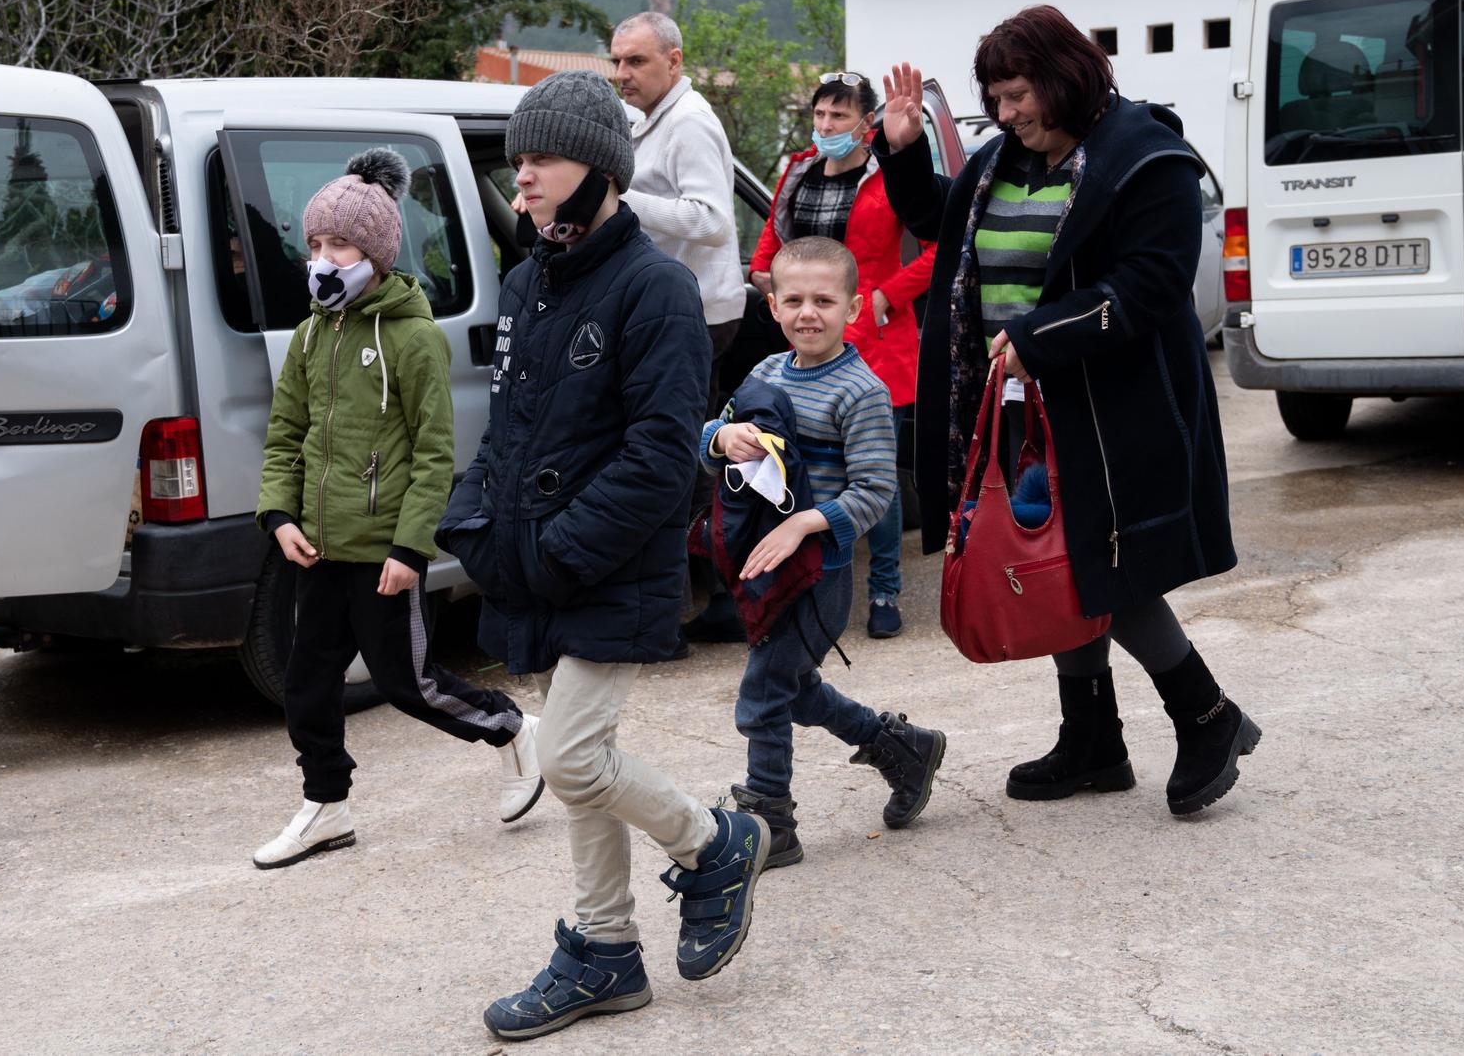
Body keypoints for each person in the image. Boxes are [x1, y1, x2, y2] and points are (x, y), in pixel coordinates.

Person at [438, 70, 771, 1042]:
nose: (523, 176)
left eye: (538, 158)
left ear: (600, 167)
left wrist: (559, 548)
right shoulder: (527, 281)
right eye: (519, 160)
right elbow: (506, 429)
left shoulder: (656, 288)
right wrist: (472, 523)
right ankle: (605, 947)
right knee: (585, 757)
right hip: (537, 561)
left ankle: (714, 842)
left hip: (608, 562)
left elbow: (663, 453)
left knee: (573, 756)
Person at [875, 5, 1262, 817]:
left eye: (1018, 95)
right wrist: (905, 152)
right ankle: (1092, 738)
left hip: (1111, 409)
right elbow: (938, 224)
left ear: (1064, 77)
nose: (1007, 115)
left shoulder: (1147, 159)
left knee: (1101, 565)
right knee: (1054, 557)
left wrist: (1037, 335)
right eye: (997, 100)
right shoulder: (999, 163)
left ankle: (1208, 716)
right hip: (1024, 405)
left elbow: (1151, 286)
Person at [251, 148, 541, 869]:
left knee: (407, 685)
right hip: (317, 547)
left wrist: (411, 549)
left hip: (383, 552)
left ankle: (510, 728)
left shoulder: (414, 338)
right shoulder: (313, 332)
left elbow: (435, 452)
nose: (323, 257)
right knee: (305, 683)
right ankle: (327, 804)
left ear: (376, 253)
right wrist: (279, 514)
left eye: (339, 244)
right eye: (315, 243)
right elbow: (286, 429)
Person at [703, 235, 947, 867]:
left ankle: (770, 823)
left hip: (820, 572)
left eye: (824, 300)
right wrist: (723, 435)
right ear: (773, 307)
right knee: (791, 688)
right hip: (763, 565)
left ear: (854, 308)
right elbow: (707, 434)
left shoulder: (861, 391)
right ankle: (903, 749)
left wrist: (801, 526)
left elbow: (875, 492)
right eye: (794, 300)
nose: (808, 312)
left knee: (763, 694)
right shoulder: (762, 374)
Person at [746, 73, 937, 639]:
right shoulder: (800, 170)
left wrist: (885, 295)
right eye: (820, 115)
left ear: (866, 123)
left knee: (870, 470)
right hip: (806, 340)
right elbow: (769, 243)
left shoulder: (888, 175)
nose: (826, 127)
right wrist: (770, 286)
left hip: (874, 342)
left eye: (838, 117)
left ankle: (883, 590)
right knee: (799, 462)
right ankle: (806, 577)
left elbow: (936, 247)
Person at [610, 11, 746, 646]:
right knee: (682, 454)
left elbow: (714, 220)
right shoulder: (646, 120)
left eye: (635, 61)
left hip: (699, 314)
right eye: (616, 61)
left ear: (674, 59)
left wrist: (616, 200)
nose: (622, 74)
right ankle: (703, 594)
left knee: (689, 457)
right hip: (667, 307)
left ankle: (718, 595)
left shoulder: (689, 123)